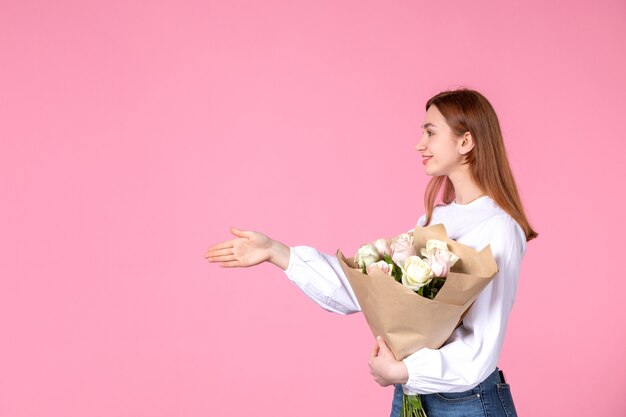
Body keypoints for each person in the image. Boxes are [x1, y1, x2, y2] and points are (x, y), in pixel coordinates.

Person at [205, 88, 537, 417]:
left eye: (430, 132)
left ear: (466, 142)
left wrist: (406, 372)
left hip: (468, 403)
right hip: (415, 396)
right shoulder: (434, 219)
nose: (419, 144)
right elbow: (368, 292)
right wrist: (276, 252)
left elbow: (482, 347)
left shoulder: (499, 227)